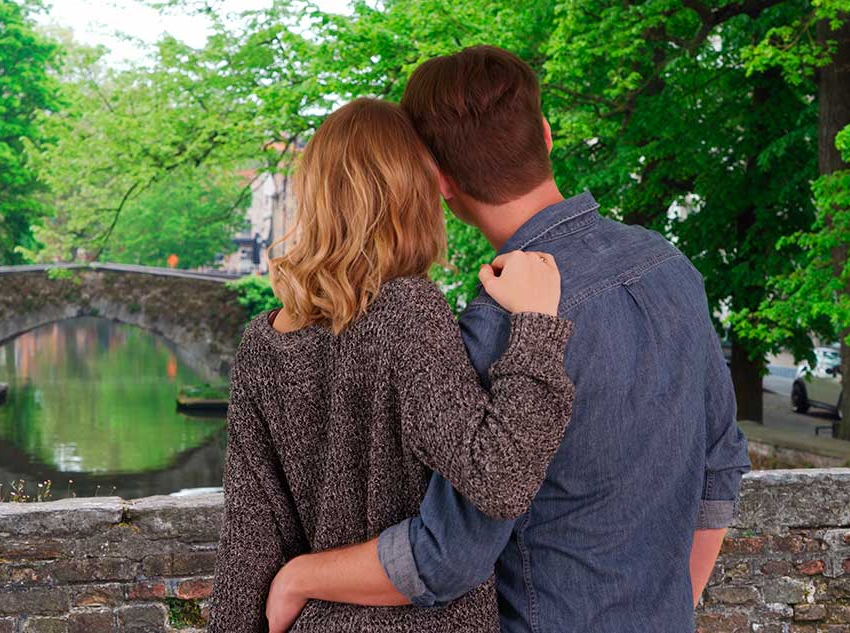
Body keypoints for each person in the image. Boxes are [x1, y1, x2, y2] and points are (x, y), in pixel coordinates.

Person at [265, 46, 751, 633]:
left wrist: (300, 576)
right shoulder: (669, 266)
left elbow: (449, 555)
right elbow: (720, 466)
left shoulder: (499, 326)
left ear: (437, 180)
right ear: (544, 135)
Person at [207, 97, 576, 633]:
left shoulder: (262, 343)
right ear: (411, 191)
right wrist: (538, 326)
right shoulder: (408, 309)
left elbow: (249, 538)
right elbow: (499, 479)